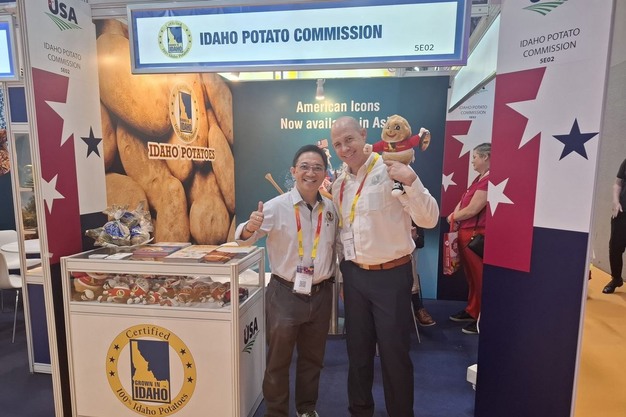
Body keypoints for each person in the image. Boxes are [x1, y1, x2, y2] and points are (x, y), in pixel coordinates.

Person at [330, 116, 439, 417]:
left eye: (349, 139)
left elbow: (429, 219)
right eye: (338, 144)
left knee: (394, 356)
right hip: (354, 276)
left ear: (364, 134)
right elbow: (342, 236)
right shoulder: (340, 184)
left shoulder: (391, 168)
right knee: (357, 353)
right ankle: (360, 411)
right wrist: (344, 278)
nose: (344, 148)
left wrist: (411, 181)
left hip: (391, 276)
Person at [236, 144, 338, 417]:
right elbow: (243, 239)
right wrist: (249, 227)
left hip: (321, 294)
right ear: (294, 171)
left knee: (313, 359)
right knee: (278, 361)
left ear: (324, 174)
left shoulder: (330, 208)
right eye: (304, 167)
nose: (310, 173)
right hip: (285, 295)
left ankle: (306, 409)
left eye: (317, 168)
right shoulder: (275, 207)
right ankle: (276, 412)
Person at [446, 142, 490, 335]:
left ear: (485, 157)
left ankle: (482, 317)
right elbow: (463, 202)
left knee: (480, 277)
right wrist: (455, 216)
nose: (472, 161)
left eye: (475, 157)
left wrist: (453, 217)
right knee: (471, 277)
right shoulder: (479, 179)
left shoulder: (489, 180)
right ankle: (472, 310)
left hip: (476, 234)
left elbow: (473, 209)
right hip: (465, 232)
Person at [604, 158, 626, 294]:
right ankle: (616, 279)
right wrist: (615, 202)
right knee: (615, 248)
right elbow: (618, 183)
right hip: (622, 212)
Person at [411, 223, 435, 326]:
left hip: (403, 260)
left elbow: (420, 243)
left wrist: (414, 237)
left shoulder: (412, 217)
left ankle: (417, 307)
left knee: (409, 261)